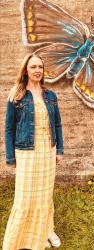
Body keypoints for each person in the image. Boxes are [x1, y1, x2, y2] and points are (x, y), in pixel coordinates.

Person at [2, 53, 64, 250]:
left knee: (45, 195)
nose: (37, 70)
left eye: (40, 67)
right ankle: (20, 238)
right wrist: (10, 157)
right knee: (25, 196)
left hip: (48, 151)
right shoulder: (17, 94)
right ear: (26, 70)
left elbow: (58, 125)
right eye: (33, 67)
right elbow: (9, 128)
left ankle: (46, 231)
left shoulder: (51, 96)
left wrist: (59, 149)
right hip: (26, 153)